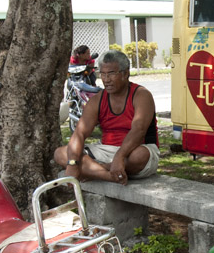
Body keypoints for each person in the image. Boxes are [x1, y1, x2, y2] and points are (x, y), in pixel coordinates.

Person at [55, 50, 160, 185]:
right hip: (105, 150)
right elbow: (80, 133)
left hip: (136, 150)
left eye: (111, 74)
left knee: (140, 155)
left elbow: (138, 130)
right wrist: (72, 163)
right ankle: (110, 176)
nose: (106, 79)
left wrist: (119, 157)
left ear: (125, 73)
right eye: (102, 74)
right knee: (60, 153)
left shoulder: (141, 95)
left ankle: (94, 170)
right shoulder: (97, 100)